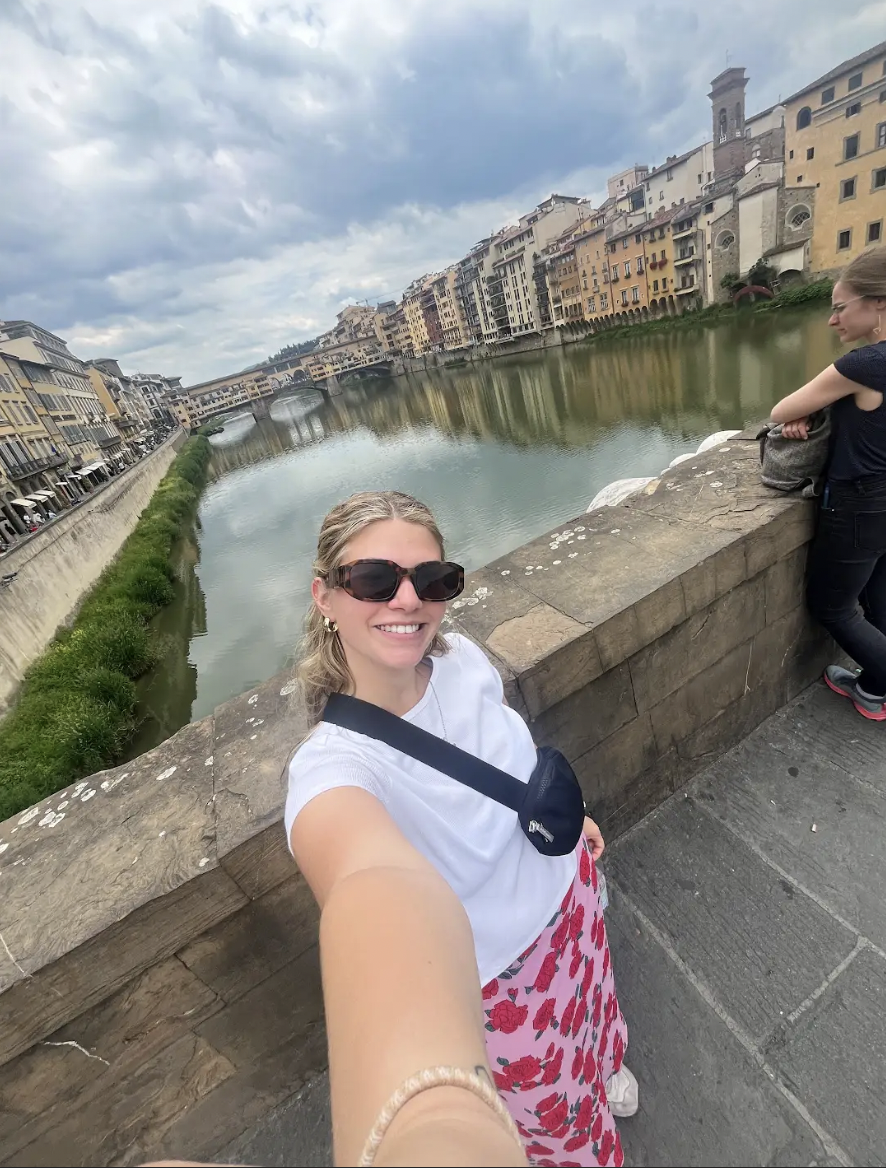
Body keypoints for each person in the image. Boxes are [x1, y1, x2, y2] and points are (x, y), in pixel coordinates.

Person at [286, 490, 634, 1168]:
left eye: (432, 579)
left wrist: (570, 819)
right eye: (374, 580)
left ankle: (603, 1066)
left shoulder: (461, 659)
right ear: (325, 597)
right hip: (504, 976)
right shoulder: (333, 769)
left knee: (598, 1009)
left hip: (569, 898)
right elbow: (366, 881)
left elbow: (509, 758)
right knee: (558, 1125)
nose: (407, 600)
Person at [771, 245, 886, 721]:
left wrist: (810, 407)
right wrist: (827, 406)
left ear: (878, 302)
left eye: (840, 308)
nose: (832, 321)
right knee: (878, 596)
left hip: (859, 506)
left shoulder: (864, 366)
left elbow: (780, 411)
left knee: (832, 606)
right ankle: (875, 689)